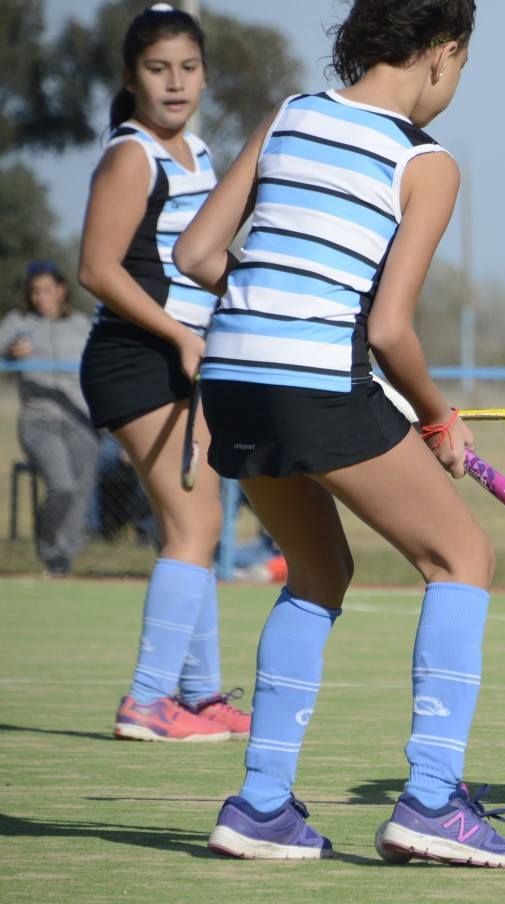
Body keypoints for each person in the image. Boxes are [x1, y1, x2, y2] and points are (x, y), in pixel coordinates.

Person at [174, 0, 505, 866]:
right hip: (313, 384)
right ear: (443, 53)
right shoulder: (426, 162)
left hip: (232, 376)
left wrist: (276, 304)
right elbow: (391, 330)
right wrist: (441, 419)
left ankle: (260, 805)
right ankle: (433, 800)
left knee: (321, 571)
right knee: (463, 559)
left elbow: (195, 256)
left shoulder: (290, 114)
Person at [78, 4, 249, 743]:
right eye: (157, 69)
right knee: (195, 522)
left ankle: (201, 696)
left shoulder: (200, 155)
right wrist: (179, 334)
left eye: (187, 67)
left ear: (205, 73)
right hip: (134, 356)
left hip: (182, 355)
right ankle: (147, 701)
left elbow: (202, 262)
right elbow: (96, 268)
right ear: (130, 77)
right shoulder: (131, 155)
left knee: (197, 527)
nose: (174, 83)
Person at [0, 261, 96, 575]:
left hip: (79, 418)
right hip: (38, 420)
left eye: (47, 290)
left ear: (61, 290)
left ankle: (63, 557)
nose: (41, 297)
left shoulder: (81, 324)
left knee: (80, 490)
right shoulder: (18, 322)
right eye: (35, 291)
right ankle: (48, 545)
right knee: (62, 485)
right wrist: (9, 353)